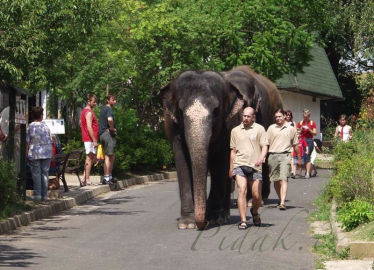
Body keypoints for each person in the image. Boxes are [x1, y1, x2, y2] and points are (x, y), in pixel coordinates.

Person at [229, 107, 268, 229]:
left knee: (256, 196)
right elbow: (233, 151)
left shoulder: (260, 129)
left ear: (253, 117)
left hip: (255, 166)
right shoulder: (235, 131)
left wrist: (261, 158)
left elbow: (265, 146)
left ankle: (254, 212)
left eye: (248, 116)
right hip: (240, 164)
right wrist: (231, 168)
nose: (245, 118)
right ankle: (243, 220)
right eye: (244, 116)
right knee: (242, 190)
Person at [267, 109, 301, 210]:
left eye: (280, 116)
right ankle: (280, 198)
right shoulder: (271, 128)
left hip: (285, 156)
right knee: (276, 180)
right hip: (273, 156)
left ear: (284, 116)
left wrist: (299, 158)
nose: (278, 118)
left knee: (284, 179)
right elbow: (265, 143)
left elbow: (295, 144)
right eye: (276, 117)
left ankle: (282, 202)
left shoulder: (291, 129)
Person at [26, 107, 53, 201]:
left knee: (36, 174)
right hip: (46, 152)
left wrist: (26, 153)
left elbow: (27, 142)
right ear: (41, 115)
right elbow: (50, 139)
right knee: (45, 174)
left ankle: (37, 195)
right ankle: (44, 195)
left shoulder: (30, 126)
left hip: (35, 153)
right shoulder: (45, 126)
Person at [80, 94, 99, 186]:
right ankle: (87, 179)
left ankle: (84, 178)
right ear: (89, 102)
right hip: (90, 139)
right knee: (89, 158)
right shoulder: (88, 112)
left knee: (90, 158)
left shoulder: (85, 111)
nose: (95, 103)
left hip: (89, 138)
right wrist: (94, 140)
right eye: (94, 102)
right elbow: (89, 127)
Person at [99, 94, 117, 184]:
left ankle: (109, 176)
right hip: (108, 135)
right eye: (113, 100)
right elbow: (110, 120)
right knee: (109, 156)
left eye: (115, 100)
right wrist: (112, 129)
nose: (115, 102)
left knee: (111, 156)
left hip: (102, 135)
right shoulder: (109, 109)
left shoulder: (103, 109)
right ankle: (106, 178)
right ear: (108, 100)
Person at [296, 109, 317, 179]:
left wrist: (309, 129)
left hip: (309, 140)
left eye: (307, 116)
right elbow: (297, 133)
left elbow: (315, 133)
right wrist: (301, 129)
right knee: (302, 156)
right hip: (302, 140)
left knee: (307, 155)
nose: (305, 118)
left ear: (309, 116)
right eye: (304, 116)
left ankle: (307, 173)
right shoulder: (300, 123)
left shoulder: (312, 123)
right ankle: (304, 172)